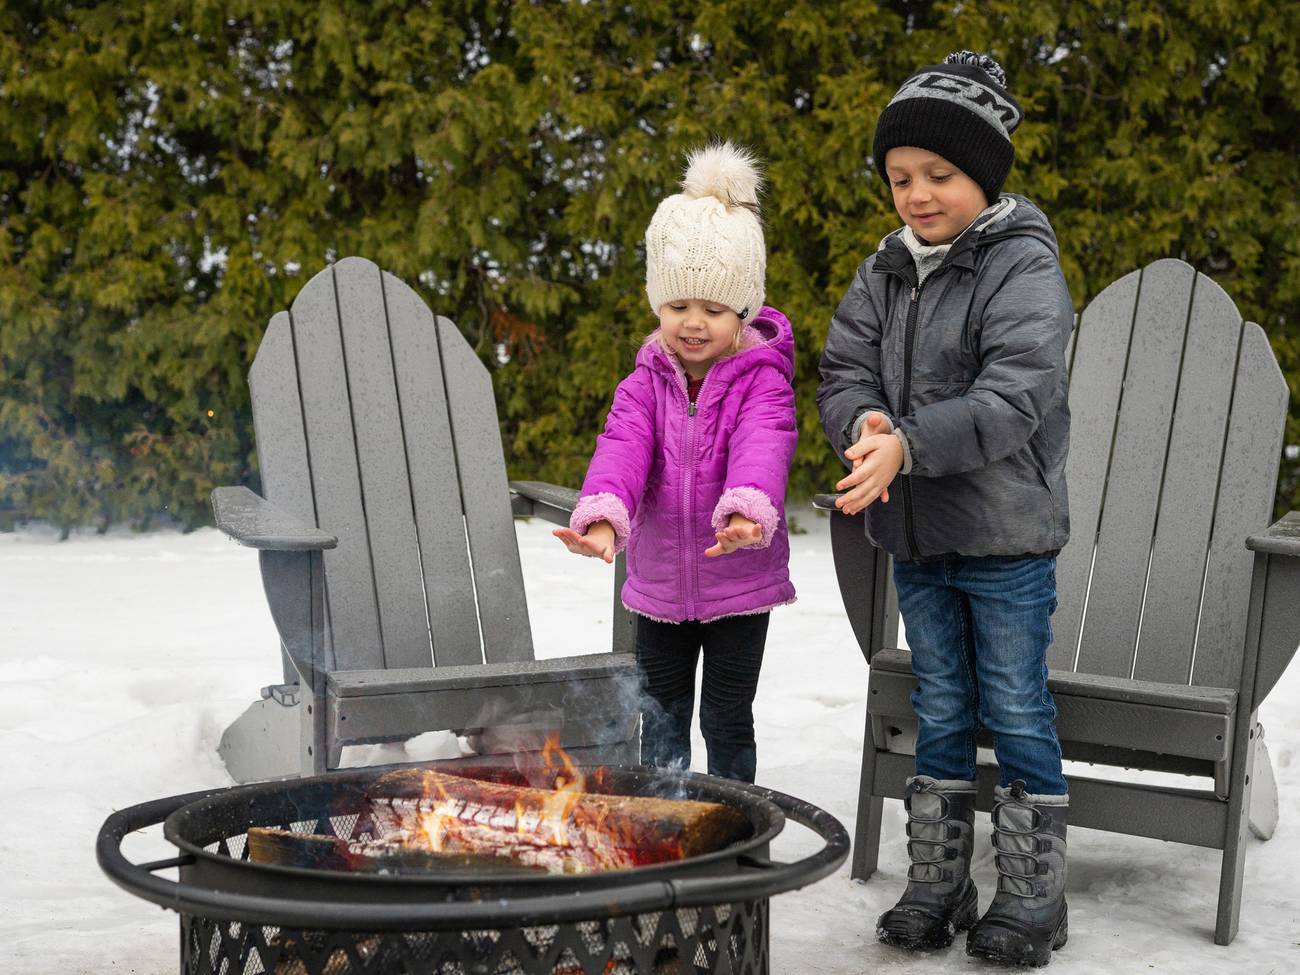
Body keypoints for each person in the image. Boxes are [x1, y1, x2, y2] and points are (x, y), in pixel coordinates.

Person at [817, 51, 1075, 967]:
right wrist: (864, 421)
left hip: (1005, 540)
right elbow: (843, 370)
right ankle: (940, 879)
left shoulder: (1022, 266)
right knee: (942, 703)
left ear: (984, 175)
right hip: (919, 541)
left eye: (939, 174)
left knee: (1014, 702)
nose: (917, 195)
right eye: (900, 177)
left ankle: (1035, 893)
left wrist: (909, 443)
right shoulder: (885, 270)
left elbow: (1014, 396)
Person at [554, 141, 797, 786]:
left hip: (738, 584)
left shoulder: (762, 383)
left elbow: (764, 444)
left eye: (713, 310)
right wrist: (603, 516)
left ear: (742, 311)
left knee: (726, 716)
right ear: (655, 303)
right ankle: (666, 819)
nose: (693, 323)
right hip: (659, 588)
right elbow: (621, 449)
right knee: (660, 717)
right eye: (677, 306)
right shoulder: (643, 386)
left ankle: (731, 818)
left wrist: (746, 510)